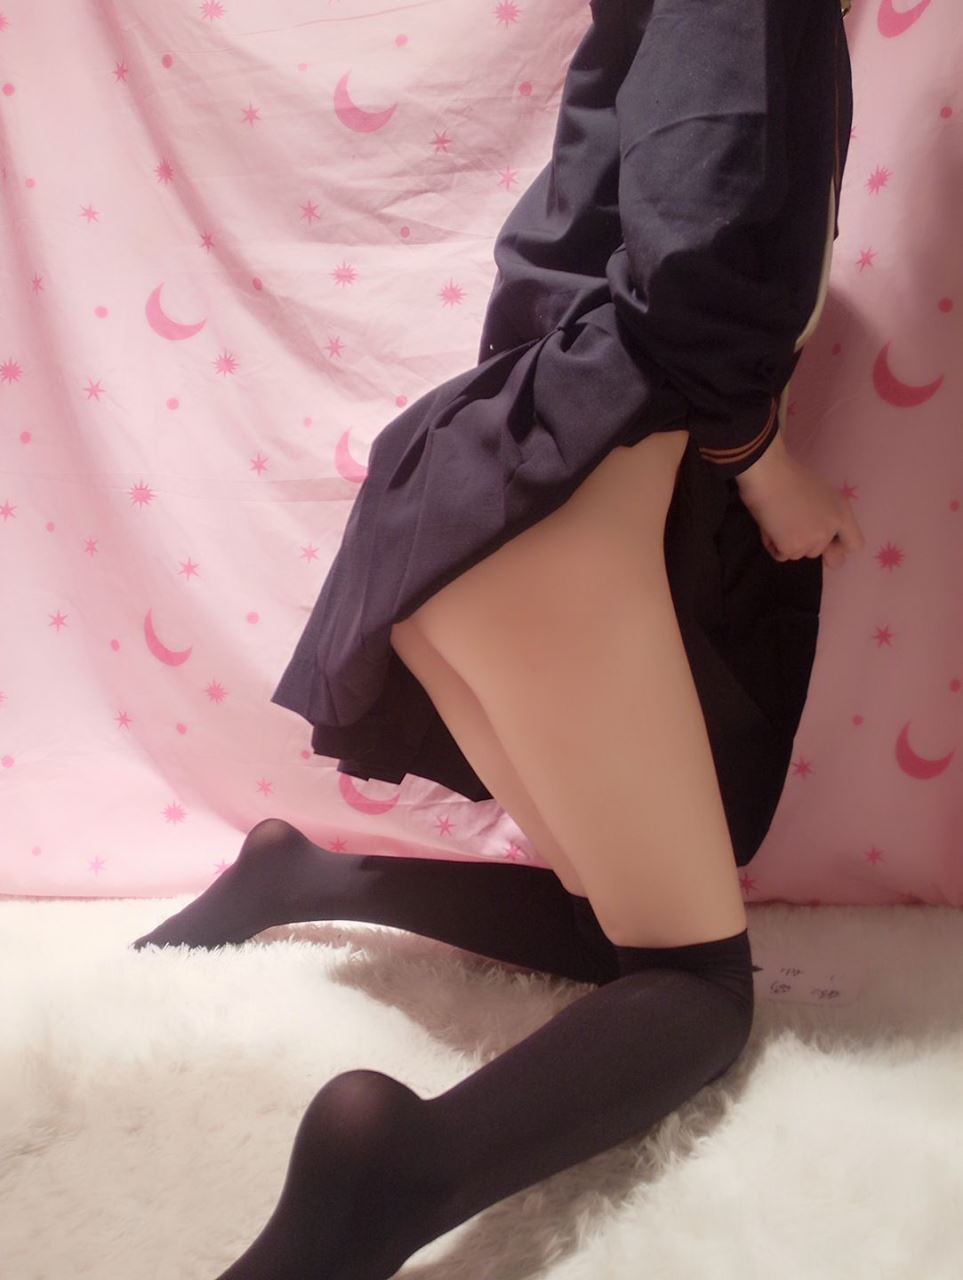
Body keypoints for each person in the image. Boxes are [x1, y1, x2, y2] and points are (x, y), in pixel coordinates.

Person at [133, 2, 864, 1275]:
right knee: (699, 986)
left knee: (617, 926)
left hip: (495, 487)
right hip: (548, 512)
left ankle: (305, 876)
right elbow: (694, 236)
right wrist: (760, 459)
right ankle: (389, 1172)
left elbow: (591, 238)